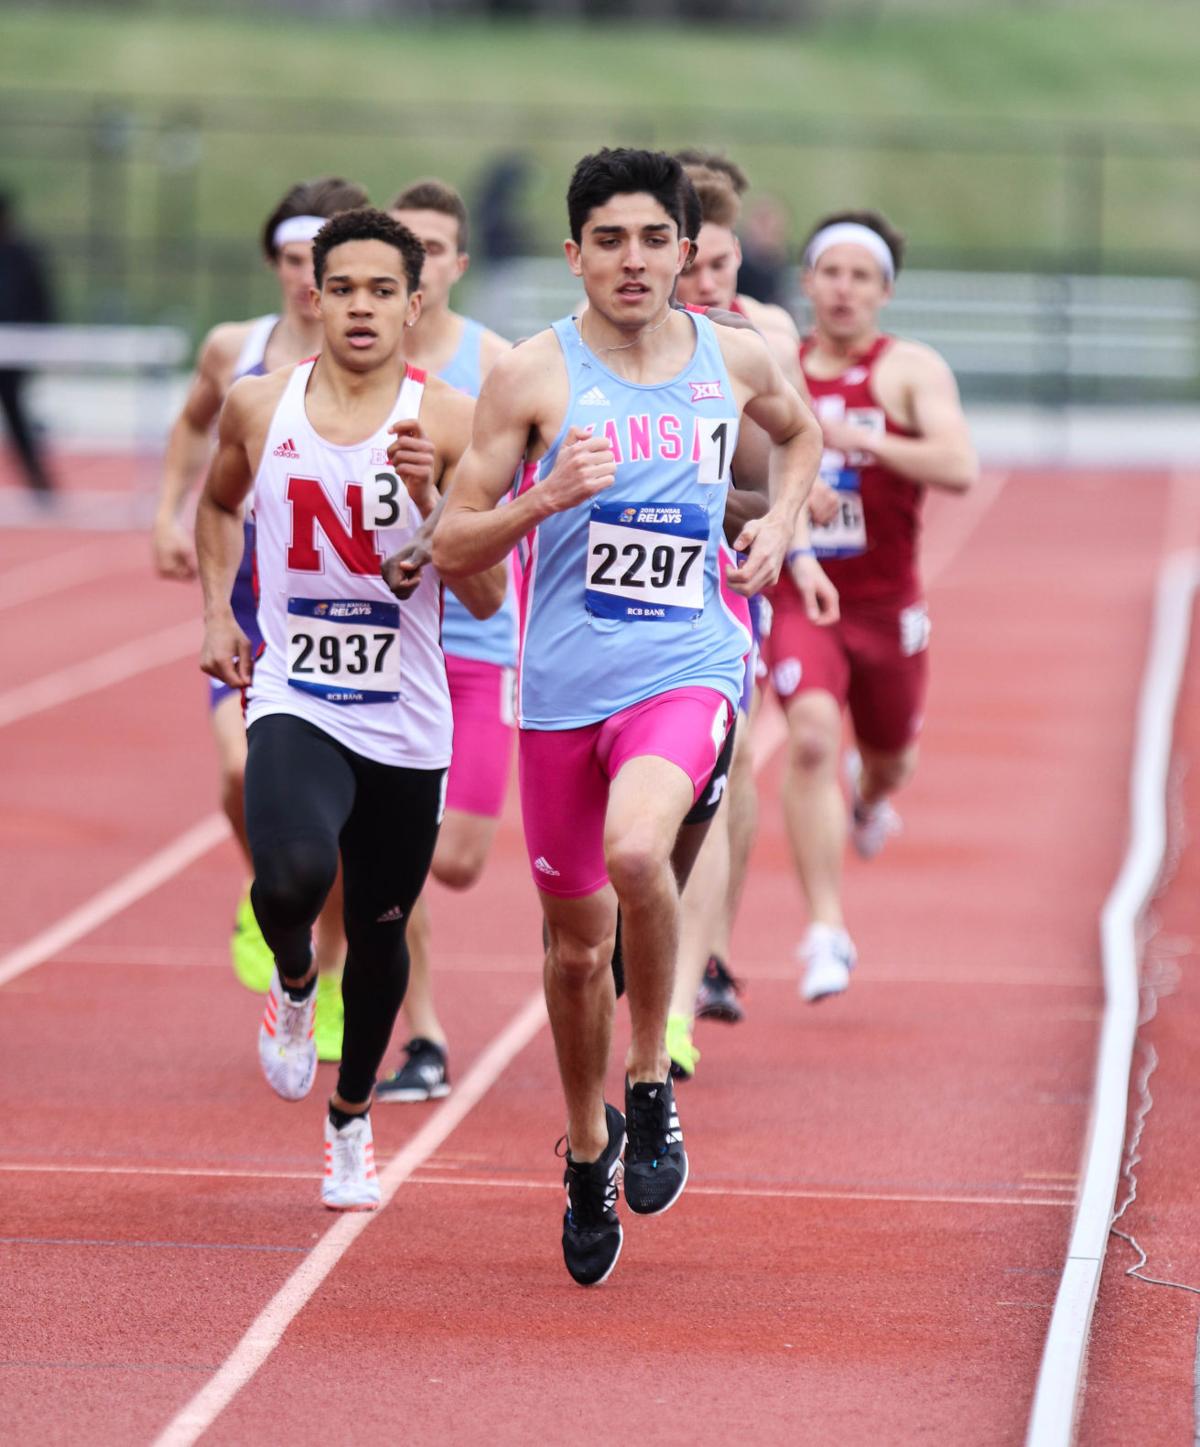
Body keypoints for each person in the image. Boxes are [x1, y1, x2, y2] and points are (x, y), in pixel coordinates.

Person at [431, 149, 825, 1284]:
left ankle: (649, 1077)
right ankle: (588, 1145)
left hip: (688, 664)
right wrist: (545, 496)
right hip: (559, 692)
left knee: (639, 851)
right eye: (610, 240)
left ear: (691, 252)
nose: (635, 260)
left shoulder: (734, 356)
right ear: (575, 254)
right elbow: (453, 544)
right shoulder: (531, 379)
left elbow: (798, 435)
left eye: (656, 239)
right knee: (569, 952)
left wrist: (781, 523)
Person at [195, 207, 505, 1209]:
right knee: (287, 873)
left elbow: (490, 597)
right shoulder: (258, 405)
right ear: (313, 296)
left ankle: (352, 1120)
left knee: (380, 932)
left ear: (416, 304)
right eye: (344, 288)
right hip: (297, 689)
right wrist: (215, 612)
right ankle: (292, 984)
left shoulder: (452, 419)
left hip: (407, 715)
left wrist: (432, 508)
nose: (362, 307)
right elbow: (216, 504)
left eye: (383, 290)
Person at [152, 177, 367, 1061]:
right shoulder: (234, 349)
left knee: (350, 822)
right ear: (278, 263)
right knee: (244, 778)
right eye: (290, 260)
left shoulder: (371, 355)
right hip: (253, 601)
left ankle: (336, 957)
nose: (305, 279)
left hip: (348, 605)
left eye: (319, 262)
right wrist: (169, 511)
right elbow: (194, 423)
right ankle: (265, 891)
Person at [764, 209, 978, 1003]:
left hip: (888, 607)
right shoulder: (779, 365)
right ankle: (825, 930)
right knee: (810, 738)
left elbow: (957, 463)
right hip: (803, 592)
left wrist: (856, 438)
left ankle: (871, 795)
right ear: (808, 282)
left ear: (885, 291)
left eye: (862, 276)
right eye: (831, 273)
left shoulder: (907, 370)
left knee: (891, 759)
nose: (844, 290)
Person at [375, 178, 513, 1104]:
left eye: (436, 245)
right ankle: (421, 1031)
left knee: (455, 858)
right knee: (395, 850)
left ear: (459, 262)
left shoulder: (496, 367)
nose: (420, 259)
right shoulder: (354, 364)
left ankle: (347, 905)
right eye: (404, 244)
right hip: (386, 639)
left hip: (480, 632)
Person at [0, 190, 56, 497]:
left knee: (16, 414)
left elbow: (41, 302)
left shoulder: (23, 256)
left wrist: (38, 343)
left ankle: (38, 481)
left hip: (15, 353)